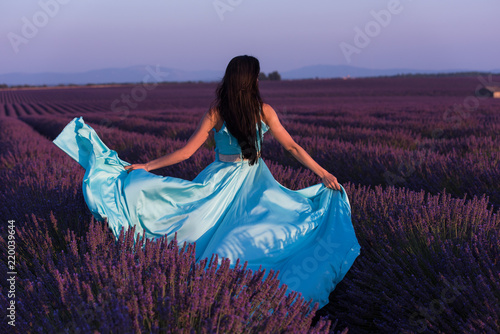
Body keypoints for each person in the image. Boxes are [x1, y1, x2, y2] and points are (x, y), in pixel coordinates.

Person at [52, 55, 360, 309]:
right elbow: (292, 147)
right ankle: (237, 293)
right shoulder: (263, 111)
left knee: (196, 224)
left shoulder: (217, 112)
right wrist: (322, 173)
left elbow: (186, 152)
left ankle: (205, 289)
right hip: (253, 180)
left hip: (222, 179)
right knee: (262, 230)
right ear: (250, 80)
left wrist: (147, 166)